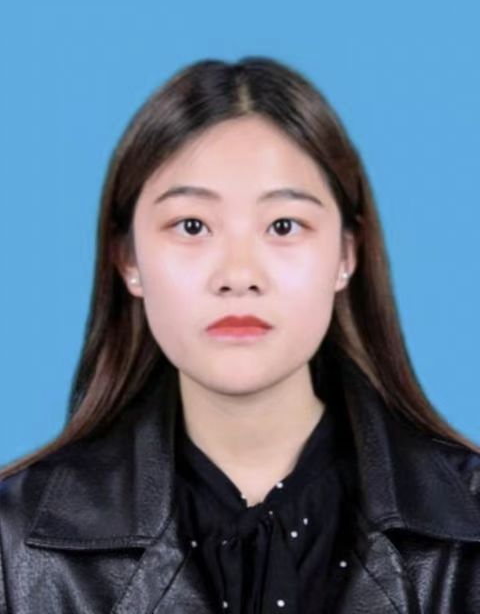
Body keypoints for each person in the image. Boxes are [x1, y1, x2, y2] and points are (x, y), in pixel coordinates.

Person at [0, 57, 479, 614]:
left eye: (283, 226)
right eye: (192, 226)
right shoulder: (14, 543)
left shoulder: (467, 529)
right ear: (129, 260)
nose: (238, 274)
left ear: (346, 255)